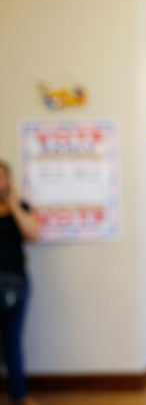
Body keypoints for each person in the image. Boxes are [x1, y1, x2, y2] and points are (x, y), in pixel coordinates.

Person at [0, 160, 40, 405]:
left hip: (16, 284)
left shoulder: (21, 207)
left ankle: (19, 395)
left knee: (12, 341)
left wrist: (13, 203)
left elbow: (33, 233)